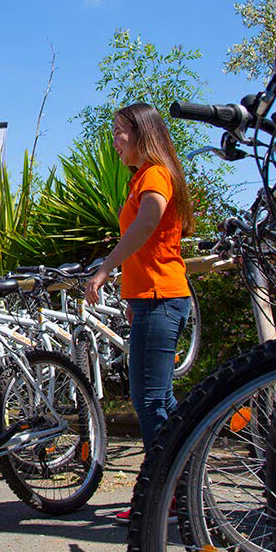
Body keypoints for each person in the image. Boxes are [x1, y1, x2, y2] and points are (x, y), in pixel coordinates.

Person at [83, 102, 195, 522]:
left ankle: (164, 494)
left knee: (148, 400)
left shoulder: (155, 175)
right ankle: (176, 489)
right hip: (150, 299)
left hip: (161, 297)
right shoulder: (143, 178)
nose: (115, 141)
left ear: (142, 133)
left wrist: (105, 267)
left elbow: (146, 225)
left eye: (119, 132)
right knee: (158, 399)